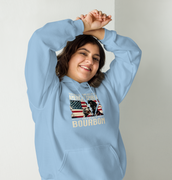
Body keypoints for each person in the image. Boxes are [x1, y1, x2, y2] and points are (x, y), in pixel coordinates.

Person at [25, 9, 142, 180]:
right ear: (69, 56)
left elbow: (131, 54)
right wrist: (81, 26)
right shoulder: (46, 93)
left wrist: (98, 32)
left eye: (96, 58)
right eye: (83, 53)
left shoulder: (108, 90)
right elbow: (40, 40)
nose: (90, 61)